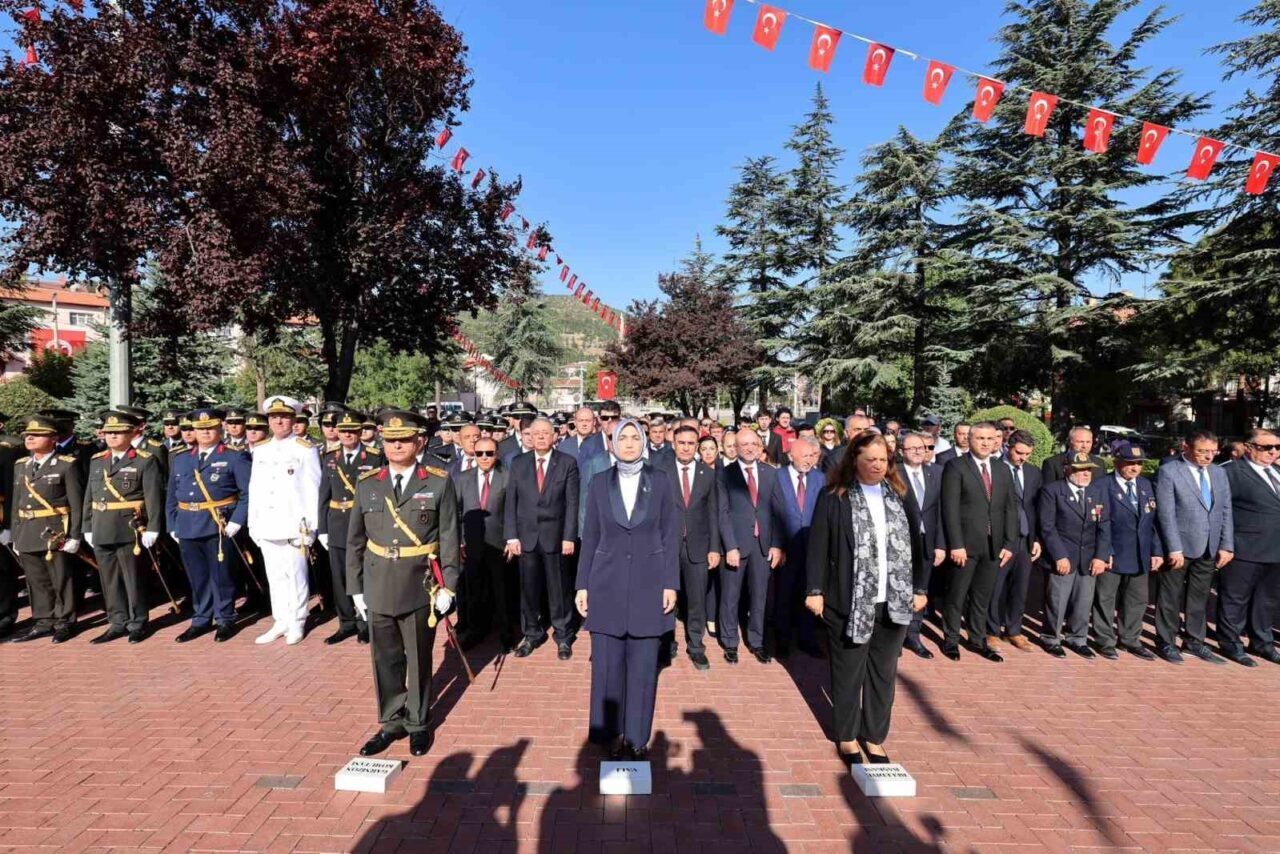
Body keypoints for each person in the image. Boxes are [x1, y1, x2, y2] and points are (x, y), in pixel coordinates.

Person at [805, 431, 926, 765]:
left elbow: (918, 545)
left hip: (895, 599)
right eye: (870, 459)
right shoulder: (833, 496)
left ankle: (873, 736)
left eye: (883, 460)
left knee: (883, 672)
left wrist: (920, 588)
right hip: (848, 599)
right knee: (848, 671)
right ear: (853, 460)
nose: (877, 466)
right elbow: (818, 546)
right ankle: (846, 736)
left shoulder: (900, 494)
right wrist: (814, 590)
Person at [347, 410, 460, 758]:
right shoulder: (368, 483)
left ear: (419, 442)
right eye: (391, 440)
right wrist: (356, 589)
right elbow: (355, 541)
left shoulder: (438, 482)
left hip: (419, 585)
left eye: (404, 440)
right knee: (385, 658)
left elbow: (450, 538)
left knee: (418, 658)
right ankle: (390, 721)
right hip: (378, 582)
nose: (397, 446)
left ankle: (417, 722)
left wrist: (449, 587)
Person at [575, 419, 679, 760]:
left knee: (644, 666)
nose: (630, 443)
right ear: (613, 443)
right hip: (606, 584)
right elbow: (589, 536)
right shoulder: (600, 482)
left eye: (636, 437)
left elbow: (669, 535)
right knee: (606, 666)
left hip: (651, 585)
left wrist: (670, 584)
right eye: (624, 438)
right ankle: (608, 735)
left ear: (644, 442)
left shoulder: (661, 481)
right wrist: (582, 586)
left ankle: (636, 739)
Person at [166, 409, 252, 643]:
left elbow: (247, 493)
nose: (205, 432)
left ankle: (225, 618)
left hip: (218, 524)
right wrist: (172, 522)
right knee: (197, 576)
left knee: (221, 575)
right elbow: (172, 494)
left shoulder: (235, 456)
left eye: (210, 427)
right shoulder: (181, 457)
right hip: (187, 523)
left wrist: (237, 521)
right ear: (193, 430)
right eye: (200, 428)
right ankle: (201, 618)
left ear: (219, 428)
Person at [81, 411, 165, 644]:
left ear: (131, 433)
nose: (112, 436)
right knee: (109, 580)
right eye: (108, 433)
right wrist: (87, 525)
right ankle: (117, 622)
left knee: (133, 578)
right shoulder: (97, 460)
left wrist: (153, 528)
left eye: (118, 432)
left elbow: (153, 497)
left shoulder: (144, 459)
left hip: (129, 527)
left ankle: (138, 622)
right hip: (101, 527)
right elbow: (89, 495)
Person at [2, 414, 84, 643]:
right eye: (28, 435)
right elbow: (16, 503)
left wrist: (75, 536)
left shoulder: (67, 465)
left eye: (37, 435)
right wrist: (15, 535)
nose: (30, 438)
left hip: (54, 531)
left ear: (53, 439)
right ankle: (43, 620)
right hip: (27, 530)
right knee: (36, 581)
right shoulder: (21, 466)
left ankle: (65, 622)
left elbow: (76, 505)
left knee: (61, 579)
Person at [940, 421, 1018, 662]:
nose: (985, 443)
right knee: (957, 595)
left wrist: (1009, 543)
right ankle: (951, 640)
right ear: (969, 440)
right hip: (965, 545)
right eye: (979, 438)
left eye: (989, 439)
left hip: (993, 545)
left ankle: (977, 639)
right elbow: (949, 508)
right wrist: (956, 543)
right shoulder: (956, 466)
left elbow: (1010, 509)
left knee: (982, 597)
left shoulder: (1002, 469)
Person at [248, 396, 322, 646]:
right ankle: (280, 620)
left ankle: (298, 621)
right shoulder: (261, 449)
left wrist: (310, 526)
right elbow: (255, 488)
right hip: (268, 524)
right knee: (275, 576)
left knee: (296, 575)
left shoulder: (304, 449)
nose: (278, 421)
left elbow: (313, 489)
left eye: (284, 417)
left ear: (293, 419)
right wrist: (253, 523)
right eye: (273, 417)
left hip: (294, 525)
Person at [1155, 429, 1233, 665]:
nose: (1209, 456)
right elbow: (1166, 513)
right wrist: (1173, 548)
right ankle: (1166, 642)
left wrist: (1227, 544)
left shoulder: (1219, 473)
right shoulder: (1169, 472)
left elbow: (1226, 510)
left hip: (1209, 546)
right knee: (1170, 596)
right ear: (1186, 448)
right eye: (1202, 451)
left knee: (1199, 598)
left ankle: (1194, 641)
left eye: (1213, 451)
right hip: (1180, 546)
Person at [504, 417, 580, 660]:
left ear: (554, 436)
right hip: (526, 538)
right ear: (529, 436)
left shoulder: (567, 463)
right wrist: (511, 536)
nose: (540, 437)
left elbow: (572, 503)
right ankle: (532, 634)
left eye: (545, 433)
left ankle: (563, 635)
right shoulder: (518, 463)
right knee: (528, 589)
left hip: (556, 537)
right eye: (535, 433)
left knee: (559, 589)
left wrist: (569, 536)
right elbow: (511, 502)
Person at [716, 427, 784, 663]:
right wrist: (730, 546)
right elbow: (722, 513)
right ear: (735, 447)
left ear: (760, 446)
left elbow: (778, 511)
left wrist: (776, 544)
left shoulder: (771, 473)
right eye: (744, 444)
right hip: (736, 545)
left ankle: (757, 641)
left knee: (760, 596)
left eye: (753, 444)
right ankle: (730, 641)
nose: (749, 448)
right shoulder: (725, 474)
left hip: (763, 545)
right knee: (730, 596)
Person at [659, 424, 721, 669]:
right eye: (681, 442)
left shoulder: (708, 474)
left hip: (698, 546)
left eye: (690, 443)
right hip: (667, 545)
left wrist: (715, 548)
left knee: (696, 600)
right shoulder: (660, 470)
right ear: (673, 444)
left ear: (697, 446)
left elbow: (713, 513)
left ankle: (696, 646)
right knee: (666, 598)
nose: (685, 447)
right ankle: (667, 644)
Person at [1038, 453, 1111, 658]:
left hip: (1088, 557)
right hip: (1062, 556)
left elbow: (1104, 526)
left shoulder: (1096, 492)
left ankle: (1077, 638)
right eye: (1080, 469)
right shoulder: (1052, 491)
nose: (1085, 473)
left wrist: (1100, 556)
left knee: (1083, 601)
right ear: (1067, 469)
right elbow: (1047, 527)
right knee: (1057, 600)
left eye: (1088, 469)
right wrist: (1059, 555)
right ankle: (1051, 637)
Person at [317, 410, 381, 645]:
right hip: (336, 523)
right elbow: (323, 494)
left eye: (352, 431)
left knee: (362, 575)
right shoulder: (330, 457)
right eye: (343, 431)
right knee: (340, 577)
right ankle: (346, 623)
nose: (347, 435)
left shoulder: (374, 457)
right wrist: (322, 528)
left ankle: (365, 622)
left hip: (363, 525)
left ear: (359, 432)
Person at [1218, 429, 1280, 666]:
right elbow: (1221, 511)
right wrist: (1225, 544)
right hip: (1244, 548)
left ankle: (1263, 643)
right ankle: (1231, 643)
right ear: (1249, 447)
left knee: (1267, 600)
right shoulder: (1231, 472)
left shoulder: (1276, 472)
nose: (1273, 452)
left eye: (1276, 447)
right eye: (1266, 447)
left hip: (1275, 549)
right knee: (1235, 599)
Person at [1094, 442, 1160, 661]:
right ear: (1117, 462)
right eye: (1130, 463)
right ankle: (1105, 640)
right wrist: (1105, 552)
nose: (1135, 468)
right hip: (1113, 553)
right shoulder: (1102, 485)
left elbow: (1153, 522)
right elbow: (1099, 523)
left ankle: (1130, 639)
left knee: (1137, 599)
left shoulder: (1145, 485)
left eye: (1139, 464)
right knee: (1106, 598)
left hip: (1140, 553)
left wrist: (1156, 551)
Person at [457, 436, 517, 651]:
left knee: (501, 591)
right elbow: (455, 511)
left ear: (497, 454)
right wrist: (458, 542)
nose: (484, 457)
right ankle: (475, 630)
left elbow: (513, 511)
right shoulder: (463, 479)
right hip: (470, 544)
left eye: (489, 453)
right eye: (479, 453)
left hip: (499, 543)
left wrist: (512, 538)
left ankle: (506, 634)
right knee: (474, 589)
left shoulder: (507, 477)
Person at [769, 436, 824, 659]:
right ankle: (782, 640)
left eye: (811, 456)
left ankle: (807, 638)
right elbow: (769, 512)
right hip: (785, 547)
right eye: (804, 456)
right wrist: (776, 544)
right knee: (784, 594)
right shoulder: (776, 477)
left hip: (812, 547)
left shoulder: (821, 479)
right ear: (791, 456)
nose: (808, 461)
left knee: (808, 591)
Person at [987, 430, 1043, 651]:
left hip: (1025, 538)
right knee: (995, 587)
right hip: (1000, 539)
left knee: (1020, 587)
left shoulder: (1033, 473)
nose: (1022, 458)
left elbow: (1036, 508)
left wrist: (1036, 538)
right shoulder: (993, 468)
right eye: (1019, 452)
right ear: (1008, 447)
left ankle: (1014, 630)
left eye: (1027, 454)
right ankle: (991, 631)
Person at [900, 432, 945, 659]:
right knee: (899, 590)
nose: (918, 452)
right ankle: (896, 637)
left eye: (921, 448)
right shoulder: (893, 474)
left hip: (928, 543)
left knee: (921, 589)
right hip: (901, 544)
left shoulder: (936, 473)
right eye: (912, 448)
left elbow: (942, 512)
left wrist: (941, 545)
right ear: (902, 452)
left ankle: (914, 635)